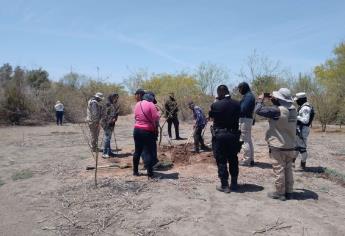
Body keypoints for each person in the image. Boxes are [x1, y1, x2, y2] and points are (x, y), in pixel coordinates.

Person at [255, 88, 297, 201]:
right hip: (291, 145)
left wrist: (260, 100)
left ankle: (280, 193)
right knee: (288, 169)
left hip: (278, 146)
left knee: (279, 170)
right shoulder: (294, 110)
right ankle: (289, 192)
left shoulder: (277, 111)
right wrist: (275, 100)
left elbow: (258, 110)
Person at [209, 85, 242, 193]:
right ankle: (234, 183)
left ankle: (224, 185)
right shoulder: (237, 104)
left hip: (220, 135)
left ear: (220, 93)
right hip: (233, 135)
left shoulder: (216, 105)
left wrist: (216, 101)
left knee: (221, 159)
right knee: (233, 158)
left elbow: (211, 116)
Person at [133, 90, 160, 178]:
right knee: (148, 152)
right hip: (147, 131)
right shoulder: (151, 104)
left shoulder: (137, 104)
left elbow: (136, 116)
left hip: (137, 130)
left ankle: (135, 172)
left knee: (137, 151)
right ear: (151, 98)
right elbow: (155, 118)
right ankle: (150, 173)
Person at [294, 92, 314, 170]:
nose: (296, 101)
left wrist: (296, 116)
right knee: (296, 147)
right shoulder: (302, 107)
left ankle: (303, 165)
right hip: (300, 129)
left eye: (297, 100)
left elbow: (305, 120)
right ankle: (292, 163)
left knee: (302, 148)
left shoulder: (305, 108)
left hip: (303, 129)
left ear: (301, 99)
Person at [238, 82, 256, 166]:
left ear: (244, 88)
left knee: (244, 140)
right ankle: (250, 159)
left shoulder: (248, 96)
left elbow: (243, 109)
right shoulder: (249, 96)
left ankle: (246, 160)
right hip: (247, 119)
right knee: (248, 140)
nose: (239, 91)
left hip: (245, 119)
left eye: (240, 89)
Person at [100, 93, 119, 158]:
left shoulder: (112, 104)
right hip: (107, 123)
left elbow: (114, 114)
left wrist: (115, 118)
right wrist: (110, 120)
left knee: (108, 138)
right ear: (111, 97)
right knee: (107, 137)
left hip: (110, 123)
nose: (116, 99)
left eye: (117, 98)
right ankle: (104, 153)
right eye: (115, 97)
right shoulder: (108, 104)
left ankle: (109, 152)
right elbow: (105, 115)